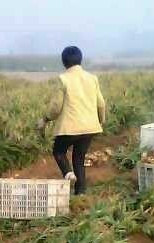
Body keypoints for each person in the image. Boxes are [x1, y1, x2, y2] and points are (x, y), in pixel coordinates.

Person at [37, 46, 106, 195]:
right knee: (79, 158)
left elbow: (56, 107)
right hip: (90, 127)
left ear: (64, 62)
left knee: (59, 152)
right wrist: (101, 121)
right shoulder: (92, 78)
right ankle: (80, 192)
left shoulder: (63, 79)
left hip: (70, 127)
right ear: (80, 59)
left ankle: (68, 174)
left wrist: (45, 119)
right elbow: (101, 103)